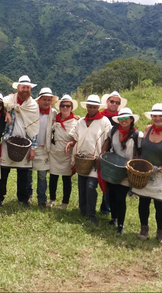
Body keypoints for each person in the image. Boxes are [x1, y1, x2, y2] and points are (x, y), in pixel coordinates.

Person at [65, 94, 111, 226]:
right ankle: (83, 210)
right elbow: (76, 136)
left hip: (95, 159)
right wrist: (71, 143)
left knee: (91, 186)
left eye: (94, 107)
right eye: (89, 106)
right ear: (86, 106)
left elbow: (107, 140)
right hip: (82, 158)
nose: (91, 109)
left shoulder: (104, 122)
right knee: (82, 186)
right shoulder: (81, 122)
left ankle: (91, 215)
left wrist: (101, 156)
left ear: (98, 107)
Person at [0, 75, 39, 207]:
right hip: (8, 140)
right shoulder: (8, 100)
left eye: (27, 87)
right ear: (18, 88)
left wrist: (33, 148)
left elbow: (36, 128)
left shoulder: (33, 105)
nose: (25, 89)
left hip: (26, 142)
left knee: (23, 174)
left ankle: (23, 198)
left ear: (30, 89)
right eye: (23, 87)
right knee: (3, 171)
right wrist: (5, 111)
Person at [101, 108, 141, 235]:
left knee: (120, 197)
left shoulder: (137, 135)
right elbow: (108, 146)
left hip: (126, 170)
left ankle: (121, 224)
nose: (124, 121)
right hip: (113, 167)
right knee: (111, 194)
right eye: (121, 118)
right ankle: (113, 218)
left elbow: (139, 153)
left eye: (126, 118)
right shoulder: (113, 131)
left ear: (131, 119)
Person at [132, 103, 162, 243]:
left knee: (160, 205)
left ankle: (160, 231)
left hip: (160, 174)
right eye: (155, 116)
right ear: (151, 117)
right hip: (145, 173)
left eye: (160, 116)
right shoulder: (148, 129)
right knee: (143, 201)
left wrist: (159, 168)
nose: (157, 118)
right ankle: (144, 228)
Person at [99, 91, 127, 215]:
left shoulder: (121, 118)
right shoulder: (100, 116)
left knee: (110, 181)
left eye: (117, 102)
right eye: (112, 101)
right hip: (101, 150)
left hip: (116, 153)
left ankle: (106, 207)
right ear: (107, 102)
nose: (114, 104)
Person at [48, 95, 78, 210]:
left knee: (66, 179)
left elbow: (78, 138)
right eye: (63, 105)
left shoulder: (76, 122)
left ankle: (65, 203)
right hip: (54, 152)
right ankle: (52, 199)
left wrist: (72, 143)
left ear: (71, 108)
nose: (65, 107)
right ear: (60, 107)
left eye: (68, 105)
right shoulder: (54, 119)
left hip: (67, 154)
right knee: (53, 177)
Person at [33, 88, 58, 208]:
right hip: (31, 146)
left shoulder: (53, 113)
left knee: (42, 175)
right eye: (44, 99)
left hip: (44, 147)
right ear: (39, 100)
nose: (47, 102)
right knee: (27, 173)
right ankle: (27, 195)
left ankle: (41, 199)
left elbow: (63, 120)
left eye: (49, 100)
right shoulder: (32, 111)